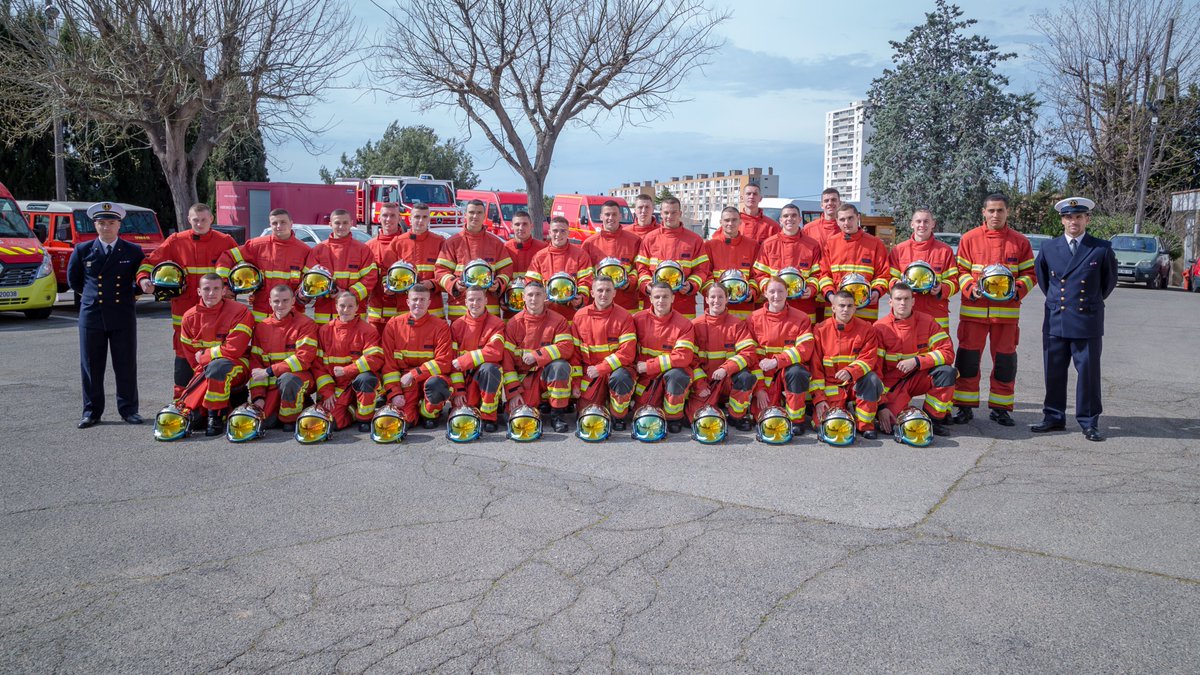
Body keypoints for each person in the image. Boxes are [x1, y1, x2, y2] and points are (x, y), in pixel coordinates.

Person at [1032, 197, 1117, 442]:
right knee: (1054, 371)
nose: (1074, 221)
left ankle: (1089, 421)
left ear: (1087, 219)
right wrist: (1060, 303)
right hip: (1056, 319)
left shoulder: (1101, 248)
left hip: (1086, 320)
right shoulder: (1049, 248)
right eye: (1069, 217)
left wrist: (1087, 304)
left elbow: (1107, 284)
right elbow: (1044, 281)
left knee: (1088, 373)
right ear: (1062, 220)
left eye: (1079, 217)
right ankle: (1054, 416)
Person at [951, 193, 1036, 427]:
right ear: (983, 212)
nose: (995, 215)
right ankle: (965, 407)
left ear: (1008, 212)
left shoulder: (1020, 242)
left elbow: (1030, 274)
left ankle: (1001, 409)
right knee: (967, 362)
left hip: (1006, 317)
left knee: (1005, 364)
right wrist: (970, 288)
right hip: (973, 314)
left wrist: (1016, 291)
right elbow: (960, 271)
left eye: (1000, 210)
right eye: (991, 211)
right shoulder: (969, 239)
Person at [136, 203, 237, 398]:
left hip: (218, 311)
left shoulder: (225, 241)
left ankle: (219, 402)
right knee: (184, 354)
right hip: (184, 310)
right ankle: (182, 402)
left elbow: (241, 269)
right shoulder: (175, 241)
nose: (199, 223)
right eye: (195, 220)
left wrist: (232, 289)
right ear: (188, 220)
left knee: (218, 354)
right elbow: (149, 263)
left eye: (204, 219)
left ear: (211, 220)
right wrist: (144, 280)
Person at [69, 201, 145, 427]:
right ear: (95, 225)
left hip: (122, 313)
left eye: (111, 223)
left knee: (125, 365)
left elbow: (140, 280)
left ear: (119, 225)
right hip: (92, 315)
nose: (106, 227)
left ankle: (129, 410)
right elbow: (75, 281)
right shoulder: (83, 250)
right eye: (101, 223)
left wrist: (129, 293)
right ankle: (91, 412)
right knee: (91, 366)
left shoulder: (132, 251)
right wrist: (93, 296)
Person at [176, 273, 255, 436]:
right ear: (198, 291)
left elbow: (235, 349)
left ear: (224, 290)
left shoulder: (239, 311)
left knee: (218, 366)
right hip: (205, 372)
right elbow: (193, 359)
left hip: (237, 366)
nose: (211, 293)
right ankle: (229, 404)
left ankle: (216, 417)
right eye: (206, 289)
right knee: (195, 421)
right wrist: (205, 363)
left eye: (216, 289)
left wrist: (205, 356)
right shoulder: (188, 318)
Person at [873, 283, 956, 436]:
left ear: (913, 301)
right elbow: (874, 371)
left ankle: (934, 419)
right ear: (890, 302)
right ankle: (902, 410)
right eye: (898, 299)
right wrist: (881, 407)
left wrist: (917, 361)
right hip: (892, 385)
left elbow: (948, 352)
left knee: (947, 372)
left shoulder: (928, 322)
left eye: (906, 299)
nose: (902, 303)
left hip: (919, 377)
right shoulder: (879, 328)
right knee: (893, 424)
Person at [503, 281, 577, 433]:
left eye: (538, 294)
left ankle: (557, 415)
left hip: (546, 374)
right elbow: (507, 361)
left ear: (545, 296)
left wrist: (537, 355)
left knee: (560, 366)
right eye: (530, 294)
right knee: (518, 415)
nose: (533, 299)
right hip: (525, 378)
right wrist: (514, 392)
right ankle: (541, 403)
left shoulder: (558, 320)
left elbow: (566, 347)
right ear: (523, 297)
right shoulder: (513, 323)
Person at [379, 284, 455, 428]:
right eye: (414, 299)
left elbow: (444, 362)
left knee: (437, 386)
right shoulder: (394, 325)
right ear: (408, 302)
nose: (418, 303)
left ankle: (428, 413)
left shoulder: (440, 326)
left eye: (422, 300)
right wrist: (394, 394)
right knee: (404, 421)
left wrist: (414, 374)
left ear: (429, 303)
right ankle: (413, 410)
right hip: (405, 382)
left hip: (428, 378)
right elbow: (389, 365)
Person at [217, 208, 312, 321]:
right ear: (270, 225)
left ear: (291, 223)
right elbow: (227, 257)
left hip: (292, 315)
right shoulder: (257, 245)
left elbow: (309, 283)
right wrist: (224, 285)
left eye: (283, 222)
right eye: (274, 223)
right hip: (261, 314)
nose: (278, 226)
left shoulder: (304, 251)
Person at [811, 290, 883, 439]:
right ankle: (847, 408)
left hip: (854, 383)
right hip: (831, 388)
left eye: (850, 306)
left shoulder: (866, 329)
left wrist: (851, 371)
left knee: (872, 379)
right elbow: (815, 368)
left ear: (855, 308)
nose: (846, 309)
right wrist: (819, 399)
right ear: (833, 308)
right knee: (824, 425)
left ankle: (864, 423)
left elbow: (869, 358)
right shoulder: (820, 329)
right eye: (841, 305)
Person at [687, 284, 759, 431]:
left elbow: (748, 353)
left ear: (727, 299)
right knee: (694, 419)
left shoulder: (737, 324)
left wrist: (726, 369)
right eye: (712, 297)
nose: (716, 300)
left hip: (728, 381)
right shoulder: (695, 325)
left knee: (746, 378)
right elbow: (689, 359)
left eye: (721, 297)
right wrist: (700, 385)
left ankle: (736, 416)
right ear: (706, 299)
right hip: (705, 384)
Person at [247, 285, 319, 431]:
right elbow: (256, 364)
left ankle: (290, 419)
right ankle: (302, 404)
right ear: (270, 302)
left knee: (288, 379)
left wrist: (269, 371)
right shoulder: (261, 327)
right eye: (276, 301)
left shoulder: (306, 324)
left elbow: (303, 359)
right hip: (272, 386)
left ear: (293, 301)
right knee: (265, 423)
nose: (281, 305)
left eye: (285, 300)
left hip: (299, 378)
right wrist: (258, 397)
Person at [748, 277, 815, 434]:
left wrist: (777, 361)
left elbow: (805, 349)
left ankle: (796, 420)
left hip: (789, 370)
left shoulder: (801, 318)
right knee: (764, 418)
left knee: (797, 372)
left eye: (780, 291)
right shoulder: (753, 318)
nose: (776, 296)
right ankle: (777, 400)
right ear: (765, 293)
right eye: (772, 291)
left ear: (787, 293)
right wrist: (759, 389)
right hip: (764, 375)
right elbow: (750, 355)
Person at [571, 276, 638, 429]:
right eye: (600, 290)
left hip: (615, 370)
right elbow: (574, 355)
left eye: (608, 290)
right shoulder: (580, 316)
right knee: (586, 414)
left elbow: (627, 353)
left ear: (614, 293)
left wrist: (601, 369)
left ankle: (618, 416)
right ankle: (603, 400)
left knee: (621, 378)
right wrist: (575, 383)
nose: (604, 294)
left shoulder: (624, 317)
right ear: (592, 293)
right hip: (590, 374)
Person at [314, 291, 385, 432]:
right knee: (332, 424)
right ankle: (352, 410)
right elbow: (318, 365)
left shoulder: (368, 330)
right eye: (342, 305)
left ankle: (364, 418)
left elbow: (375, 359)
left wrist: (347, 371)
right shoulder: (324, 330)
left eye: (350, 306)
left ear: (357, 308)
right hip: (336, 388)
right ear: (336, 307)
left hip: (360, 382)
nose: (346, 310)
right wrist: (327, 392)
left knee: (366, 379)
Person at [632, 282, 697, 434]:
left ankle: (673, 417)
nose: (661, 300)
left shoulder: (684, 324)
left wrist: (650, 365)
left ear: (673, 298)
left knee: (678, 376)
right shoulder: (637, 319)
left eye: (665, 297)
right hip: (645, 378)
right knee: (644, 410)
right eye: (657, 297)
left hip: (669, 374)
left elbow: (683, 357)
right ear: (651, 299)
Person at [436, 198, 513, 318]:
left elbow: (506, 270)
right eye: (471, 212)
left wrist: (498, 284)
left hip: (489, 312)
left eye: (479, 213)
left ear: (484, 216)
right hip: (460, 311)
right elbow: (441, 271)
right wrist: (455, 284)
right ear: (465, 215)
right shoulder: (452, 242)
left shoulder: (496, 243)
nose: (475, 216)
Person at [635, 196, 710, 318]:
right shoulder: (650, 239)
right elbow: (641, 268)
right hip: (655, 304)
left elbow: (702, 269)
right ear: (661, 214)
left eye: (674, 212)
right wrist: (647, 285)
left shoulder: (694, 240)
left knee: (683, 336)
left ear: (680, 213)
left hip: (684, 305)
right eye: (666, 212)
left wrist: (691, 286)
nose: (669, 216)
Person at [376, 202, 446, 328]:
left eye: (424, 217)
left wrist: (432, 284)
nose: (420, 221)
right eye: (417, 217)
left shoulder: (439, 242)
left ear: (429, 219)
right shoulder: (398, 242)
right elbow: (385, 271)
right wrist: (387, 285)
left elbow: (446, 272)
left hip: (433, 308)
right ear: (409, 219)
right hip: (404, 306)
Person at [449, 287, 510, 433]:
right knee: (465, 410)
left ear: (486, 301)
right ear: (465, 302)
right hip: (464, 379)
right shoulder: (456, 326)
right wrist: (458, 391)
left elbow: (495, 352)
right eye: (471, 299)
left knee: (491, 368)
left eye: (479, 299)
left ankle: (489, 416)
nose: (474, 303)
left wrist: (467, 359)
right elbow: (452, 361)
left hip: (485, 376)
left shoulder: (497, 324)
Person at [888, 208, 959, 330]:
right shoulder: (899, 250)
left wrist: (941, 289)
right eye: (918, 221)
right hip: (905, 311)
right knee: (906, 347)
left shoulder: (944, 251)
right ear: (912, 224)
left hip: (936, 313)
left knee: (939, 347)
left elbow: (954, 281)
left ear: (933, 224)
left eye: (926, 221)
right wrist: (896, 284)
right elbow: (889, 278)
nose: (922, 225)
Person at [817, 203, 891, 321]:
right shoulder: (830, 244)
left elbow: (883, 274)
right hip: (837, 311)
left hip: (866, 310)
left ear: (858, 218)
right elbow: (824, 275)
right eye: (842, 219)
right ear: (837, 221)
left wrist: (877, 291)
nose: (846, 223)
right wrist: (830, 296)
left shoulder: (875, 244)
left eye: (850, 218)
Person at [304, 209, 378, 325]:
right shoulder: (319, 250)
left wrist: (347, 296)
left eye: (345, 223)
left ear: (351, 223)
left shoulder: (362, 250)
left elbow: (370, 279)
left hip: (354, 312)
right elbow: (308, 279)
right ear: (330, 224)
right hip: (325, 315)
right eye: (337, 223)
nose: (341, 226)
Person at [754, 203, 823, 323]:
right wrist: (769, 289)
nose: (789, 219)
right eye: (785, 216)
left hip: (803, 305)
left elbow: (818, 273)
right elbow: (759, 273)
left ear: (800, 219)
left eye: (793, 216)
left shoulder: (812, 245)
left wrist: (811, 289)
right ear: (780, 220)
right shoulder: (768, 244)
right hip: (775, 305)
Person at [525, 215, 594, 320]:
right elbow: (531, 282)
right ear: (549, 233)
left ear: (568, 233)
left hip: (573, 316)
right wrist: (540, 299)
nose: (558, 234)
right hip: (546, 316)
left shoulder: (580, 255)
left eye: (563, 231)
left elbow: (586, 281)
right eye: (555, 231)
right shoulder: (540, 257)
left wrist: (580, 299)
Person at [582, 201, 643, 311]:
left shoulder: (634, 241)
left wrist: (629, 283)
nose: (611, 218)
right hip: (599, 306)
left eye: (614, 214)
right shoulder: (589, 244)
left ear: (620, 216)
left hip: (626, 304)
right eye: (607, 214)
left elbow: (638, 269)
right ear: (601, 216)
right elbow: (585, 274)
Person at [703, 206, 761, 318]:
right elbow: (704, 274)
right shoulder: (710, 246)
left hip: (744, 309)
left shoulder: (753, 246)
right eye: (726, 220)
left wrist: (752, 292)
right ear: (721, 222)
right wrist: (714, 294)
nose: (730, 223)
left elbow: (757, 275)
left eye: (734, 220)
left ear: (740, 222)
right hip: (716, 309)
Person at [365, 201, 409, 331]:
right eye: (385, 215)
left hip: (403, 311)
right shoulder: (369, 247)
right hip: (377, 314)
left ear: (399, 218)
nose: (388, 219)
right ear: (379, 218)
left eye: (392, 216)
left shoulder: (409, 243)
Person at [803, 188, 842, 322]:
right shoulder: (809, 229)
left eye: (833, 200)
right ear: (821, 205)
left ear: (839, 203)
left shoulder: (845, 228)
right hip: (812, 288)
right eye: (826, 200)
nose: (830, 203)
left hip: (834, 286)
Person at [501, 210, 548, 317]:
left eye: (525, 224)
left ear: (531, 226)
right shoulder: (503, 249)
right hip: (511, 305)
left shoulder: (543, 248)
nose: (521, 228)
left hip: (536, 305)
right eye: (517, 224)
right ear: (511, 226)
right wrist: (501, 298)